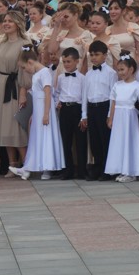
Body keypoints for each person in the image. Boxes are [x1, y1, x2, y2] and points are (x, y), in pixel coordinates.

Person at [10, 50, 64, 181]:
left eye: (24, 67)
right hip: (38, 109)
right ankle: (28, 167)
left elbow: (47, 94)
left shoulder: (44, 73)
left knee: (45, 136)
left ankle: (46, 168)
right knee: (36, 138)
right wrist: (34, 114)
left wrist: (46, 114)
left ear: (30, 62)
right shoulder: (36, 74)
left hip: (45, 109)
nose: (24, 70)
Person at [0, 12, 31, 175]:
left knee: (15, 127)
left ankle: (26, 164)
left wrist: (22, 91)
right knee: (4, 127)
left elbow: (25, 69)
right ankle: (12, 165)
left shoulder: (25, 43)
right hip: (0, 85)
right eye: (4, 21)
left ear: (18, 24)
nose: (6, 24)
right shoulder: (2, 43)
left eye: (10, 21)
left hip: (14, 87)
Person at [105, 56, 139, 183]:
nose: (120, 73)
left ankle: (131, 171)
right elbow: (113, 103)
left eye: (122, 69)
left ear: (131, 69)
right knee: (119, 142)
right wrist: (110, 118)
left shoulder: (138, 86)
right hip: (118, 117)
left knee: (129, 142)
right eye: (118, 70)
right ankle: (121, 169)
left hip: (130, 117)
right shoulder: (117, 85)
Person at [83, 40, 117, 181]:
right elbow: (85, 95)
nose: (94, 57)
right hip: (92, 108)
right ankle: (96, 168)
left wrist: (110, 115)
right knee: (95, 140)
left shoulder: (111, 73)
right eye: (91, 55)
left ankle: (107, 169)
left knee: (105, 140)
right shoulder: (88, 74)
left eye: (97, 54)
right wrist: (84, 115)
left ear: (105, 55)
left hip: (104, 107)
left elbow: (113, 95)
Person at [56, 47, 87, 180]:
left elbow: (85, 97)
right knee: (65, 141)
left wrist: (84, 116)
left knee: (81, 141)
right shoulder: (61, 77)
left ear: (77, 61)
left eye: (69, 61)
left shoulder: (82, 78)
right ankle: (68, 170)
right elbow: (57, 92)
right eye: (64, 62)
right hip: (65, 110)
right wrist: (57, 102)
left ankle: (82, 171)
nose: (66, 64)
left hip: (77, 109)